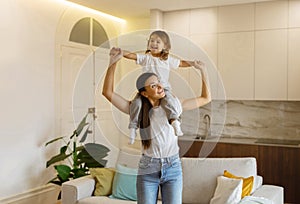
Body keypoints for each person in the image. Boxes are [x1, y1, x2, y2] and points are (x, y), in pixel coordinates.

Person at [102, 47, 211, 204]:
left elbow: (205, 98)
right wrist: (113, 63)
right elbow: (107, 92)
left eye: (159, 82)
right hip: (148, 168)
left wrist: (203, 71)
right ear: (144, 93)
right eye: (153, 85)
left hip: (173, 166)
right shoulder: (136, 109)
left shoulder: (175, 105)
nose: (160, 86)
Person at [121, 30, 205, 144]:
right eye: (152, 40)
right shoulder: (146, 58)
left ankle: (174, 121)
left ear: (165, 46)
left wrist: (194, 64)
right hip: (147, 89)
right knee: (136, 104)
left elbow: (181, 63)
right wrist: (121, 52)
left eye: (158, 41)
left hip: (163, 89)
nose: (154, 43)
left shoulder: (167, 60)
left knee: (170, 101)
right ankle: (132, 128)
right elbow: (131, 55)